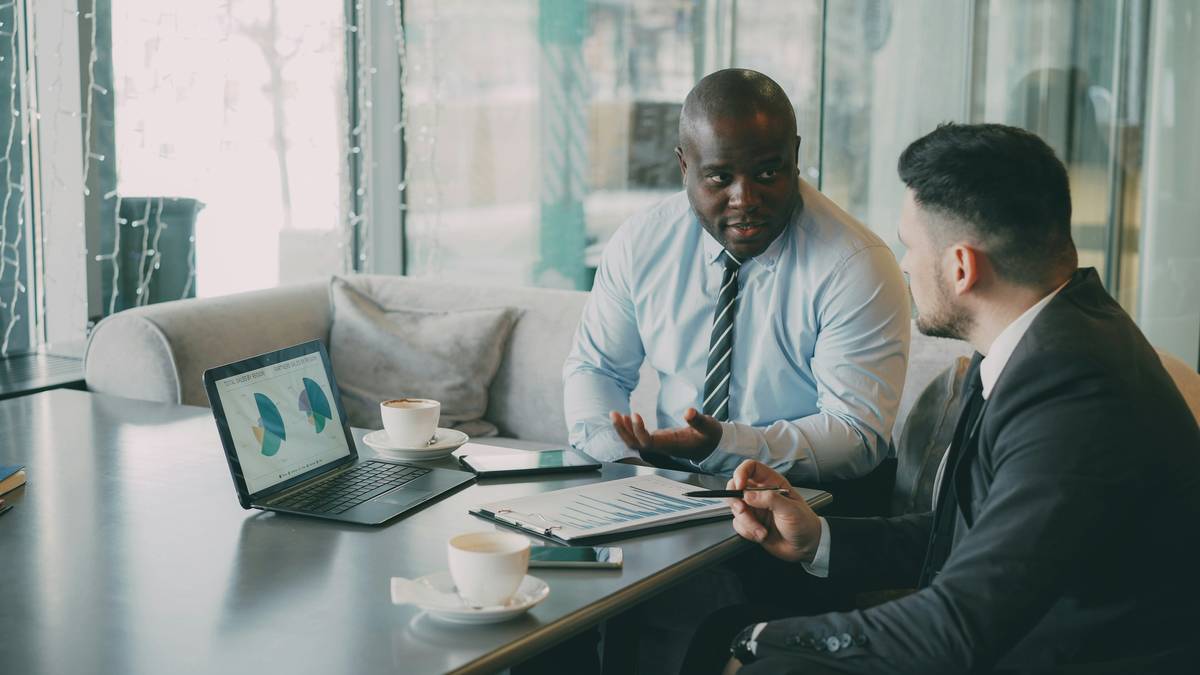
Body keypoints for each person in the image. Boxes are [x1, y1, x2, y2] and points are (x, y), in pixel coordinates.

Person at [692, 122, 1200, 674]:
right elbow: (978, 541)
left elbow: (960, 625)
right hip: (1019, 638)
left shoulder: (1074, 390)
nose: (905, 264)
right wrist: (819, 537)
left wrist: (760, 642)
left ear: (961, 267)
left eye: (911, 245)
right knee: (725, 630)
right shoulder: (1042, 343)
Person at [563, 68, 910, 486]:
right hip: (671, 479)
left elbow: (856, 435)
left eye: (767, 174)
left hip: (812, 497)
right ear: (683, 165)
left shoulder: (855, 263)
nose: (744, 200)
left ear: (795, 156)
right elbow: (596, 370)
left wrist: (724, 444)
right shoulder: (642, 243)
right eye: (719, 178)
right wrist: (624, 467)